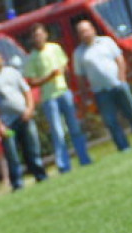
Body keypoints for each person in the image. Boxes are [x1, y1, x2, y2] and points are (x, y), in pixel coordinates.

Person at [73, 21, 132, 151]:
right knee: (111, 122)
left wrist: (122, 78)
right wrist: (85, 95)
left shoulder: (106, 41)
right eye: (81, 32)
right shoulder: (78, 53)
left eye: (86, 30)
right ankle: (123, 147)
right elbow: (80, 77)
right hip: (100, 92)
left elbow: (119, 59)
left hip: (118, 85)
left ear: (93, 29)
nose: (85, 34)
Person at [24, 23, 92, 173]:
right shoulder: (31, 58)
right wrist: (49, 77)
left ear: (45, 35)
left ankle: (84, 158)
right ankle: (64, 165)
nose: (38, 38)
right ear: (31, 39)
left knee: (75, 127)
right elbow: (31, 81)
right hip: (49, 98)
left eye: (40, 34)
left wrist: (63, 77)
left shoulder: (55, 48)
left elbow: (65, 67)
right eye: (35, 36)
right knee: (58, 132)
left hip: (64, 92)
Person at [0, 50, 47, 191]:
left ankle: (40, 176)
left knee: (32, 148)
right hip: (7, 123)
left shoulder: (13, 73)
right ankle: (17, 183)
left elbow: (26, 91)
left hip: (24, 116)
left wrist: (29, 109)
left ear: (2, 59)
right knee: (12, 155)